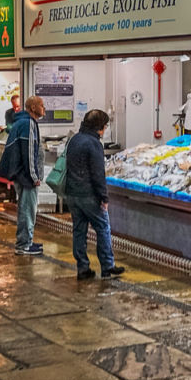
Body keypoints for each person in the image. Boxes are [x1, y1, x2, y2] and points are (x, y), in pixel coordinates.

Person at [65, 109, 124, 280]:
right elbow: (98, 173)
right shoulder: (93, 143)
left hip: (72, 193)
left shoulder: (75, 139)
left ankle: (82, 268)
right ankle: (107, 266)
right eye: (105, 126)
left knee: (79, 230)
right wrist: (104, 197)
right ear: (99, 127)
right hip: (89, 194)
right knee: (103, 228)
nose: (105, 130)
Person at [2, 96, 45, 256]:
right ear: (33, 107)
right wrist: (34, 177)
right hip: (26, 176)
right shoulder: (28, 124)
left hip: (21, 174)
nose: (44, 108)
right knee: (27, 210)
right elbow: (29, 153)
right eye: (41, 105)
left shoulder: (22, 122)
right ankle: (24, 244)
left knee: (26, 209)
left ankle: (27, 240)